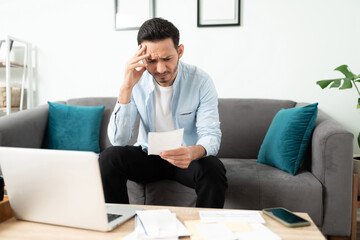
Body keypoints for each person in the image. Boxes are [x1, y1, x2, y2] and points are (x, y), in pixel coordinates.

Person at [99, 17, 227, 208]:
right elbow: (119, 141)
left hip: (185, 158)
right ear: (142, 58)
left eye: (167, 59)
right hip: (148, 157)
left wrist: (192, 152)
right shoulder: (136, 81)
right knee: (109, 157)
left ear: (180, 51)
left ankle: (206, 229)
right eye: (151, 61)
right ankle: (118, 222)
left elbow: (211, 135)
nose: (160, 69)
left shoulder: (201, 81)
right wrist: (126, 87)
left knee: (213, 168)